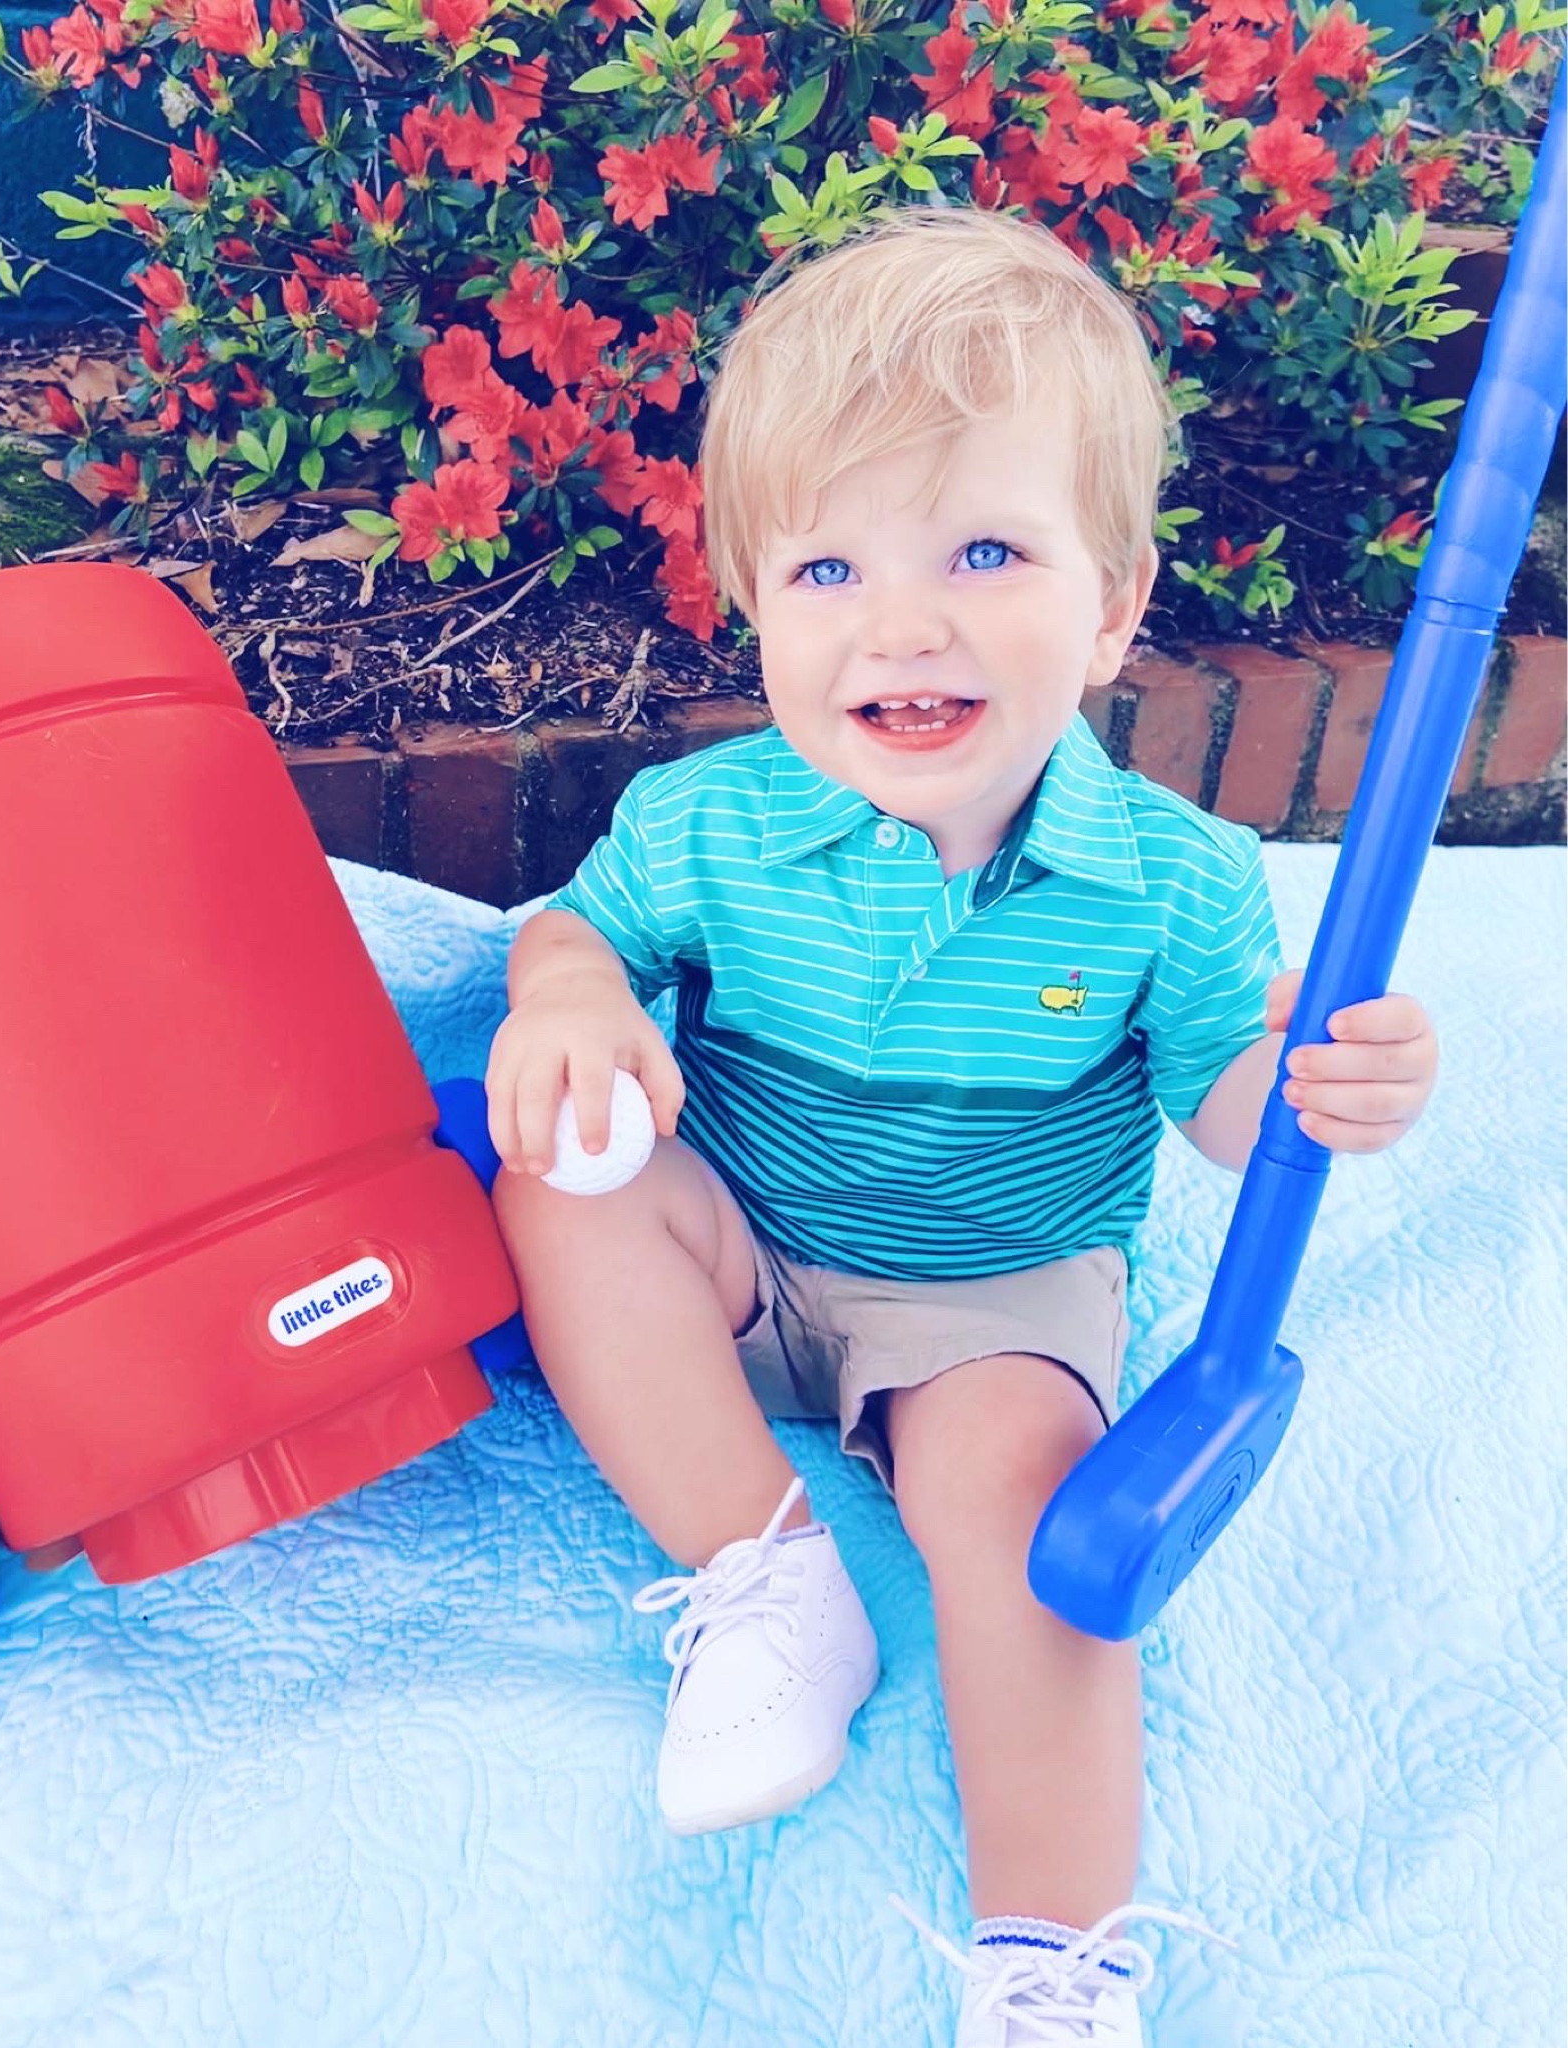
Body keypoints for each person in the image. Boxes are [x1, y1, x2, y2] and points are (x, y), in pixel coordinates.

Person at [485, 204, 1439, 2046]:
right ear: (753, 603)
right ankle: (764, 1580)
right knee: (565, 1173)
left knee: (1015, 1500)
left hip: (990, 1294)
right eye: (827, 571)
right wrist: (574, 998)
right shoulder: (711, 822)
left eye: (987, 548)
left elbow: (1229, 1110)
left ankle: (1058, 1959)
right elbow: (579, 929)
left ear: (1114, 607)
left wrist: (1319, 1091)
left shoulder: (1177, 880)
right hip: (742, 1247)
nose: (901, 622)